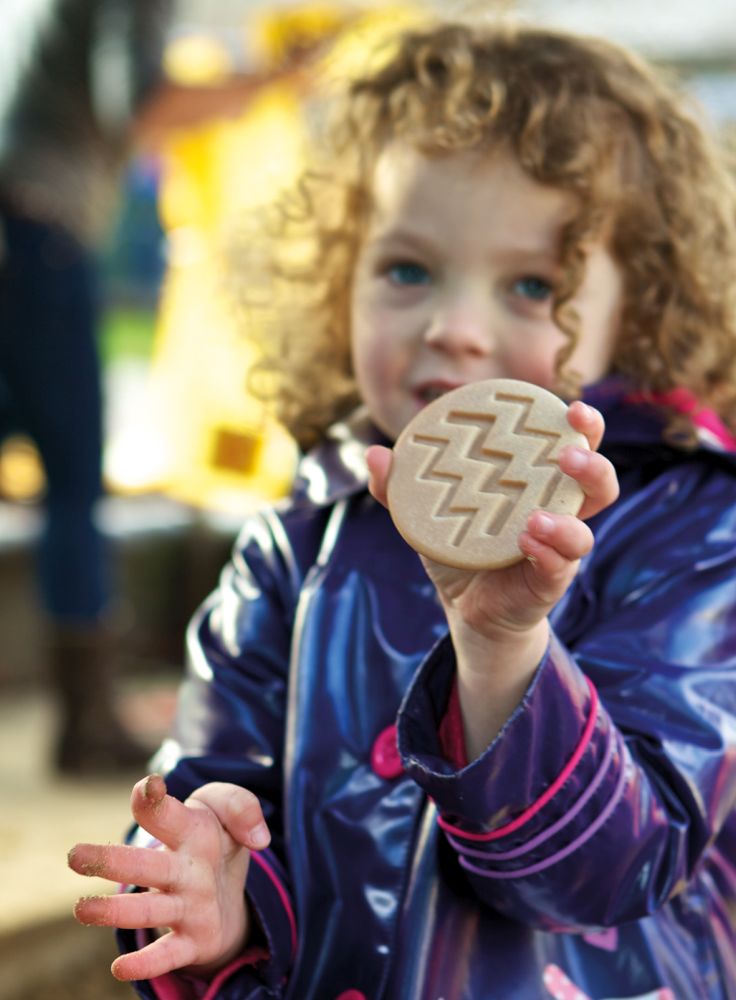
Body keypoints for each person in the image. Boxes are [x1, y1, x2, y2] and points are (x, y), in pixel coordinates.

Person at [68, 13, 736, 999]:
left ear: (635, 310)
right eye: (406, 269)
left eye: (529, 286)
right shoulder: (294, 543)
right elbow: (218, 789)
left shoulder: (690, 530)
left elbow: (610, 870)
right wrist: (216, 889)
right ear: (339, 274)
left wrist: (506, 645)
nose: (453, 328)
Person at [0, 0, 174, 774]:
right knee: (74, 475)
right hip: (40, 235)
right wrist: (278, 79)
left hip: (20, 232)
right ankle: (87, 723)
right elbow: (138, 105)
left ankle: (87, 714)